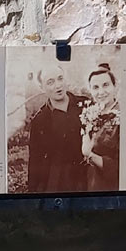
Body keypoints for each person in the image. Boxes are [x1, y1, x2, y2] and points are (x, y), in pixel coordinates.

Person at [26, 63, 89, 192]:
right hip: (59, 181)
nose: (58, 85)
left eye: (60, 78)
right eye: (50, 82)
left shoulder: (85, 105)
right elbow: (35, 160)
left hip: (88, 175)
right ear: (41, 87)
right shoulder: (40, 120)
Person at [82, 64, 120, 191]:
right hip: (90, 183)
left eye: (106, 85)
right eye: (95, 87)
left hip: (110, 188)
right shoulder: (90, 114)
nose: (101, 92)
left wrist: (89, 154)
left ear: (115, 86)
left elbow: (119, 168)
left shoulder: (122, 117)